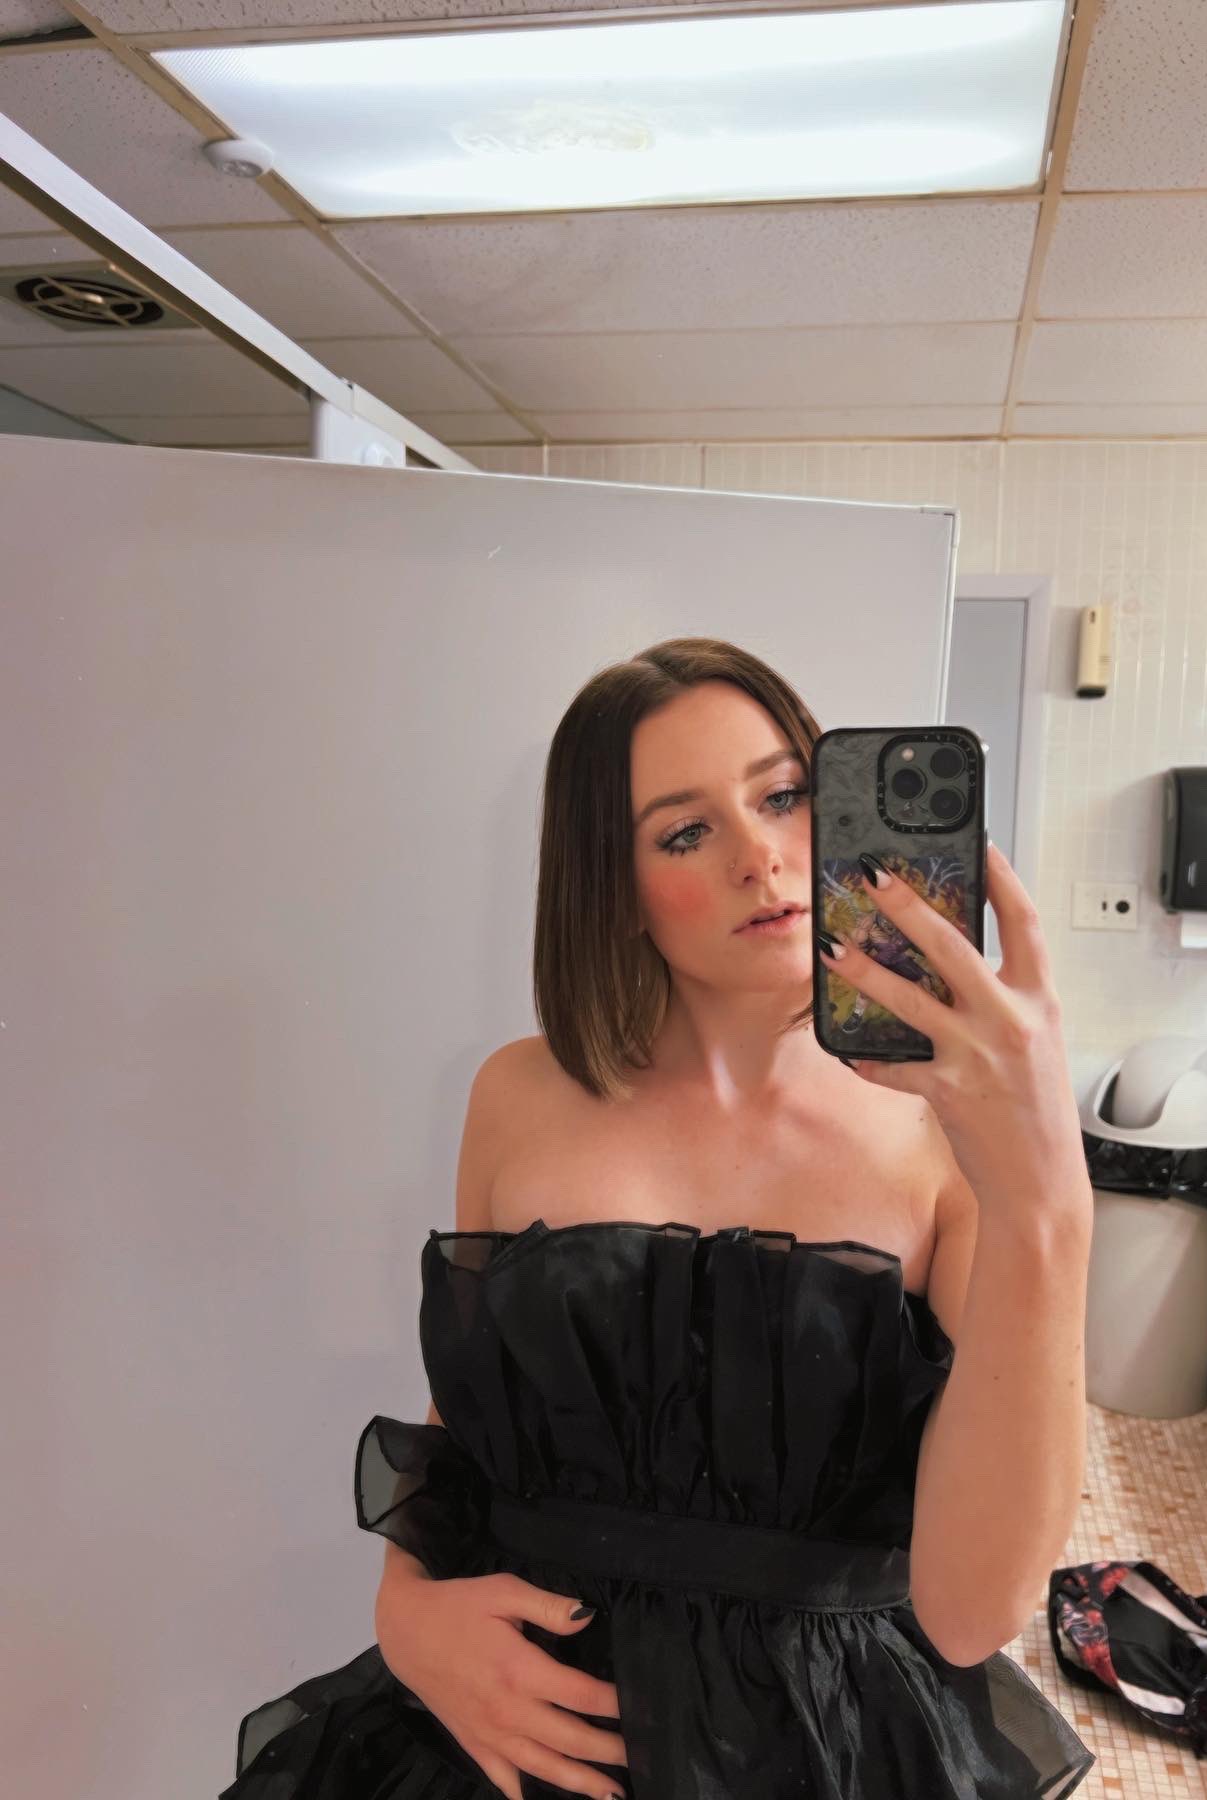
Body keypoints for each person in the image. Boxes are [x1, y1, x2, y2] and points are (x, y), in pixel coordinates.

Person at [219, 637, 1098, 1799]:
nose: (760, 856)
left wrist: (1048, 1195)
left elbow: (976, 1611)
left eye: (784, 796)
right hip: (508, 1736)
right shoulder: (516, 1094)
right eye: (685, 832)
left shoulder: (948, 1131)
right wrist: (407, 1610)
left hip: (820, 1747)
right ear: (615, 887)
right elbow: (475, 1410)